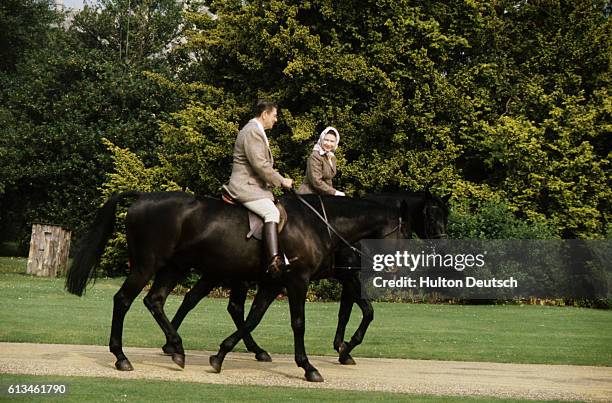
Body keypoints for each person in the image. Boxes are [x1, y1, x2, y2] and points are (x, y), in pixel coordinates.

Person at [222, 101, 293, 275]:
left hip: (255, 186)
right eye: (274, 115)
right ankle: (274, 261)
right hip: (244, 186)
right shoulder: (252, 131)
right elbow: (260, 165)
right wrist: (281, 180)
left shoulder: (256, 131)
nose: (276, 120)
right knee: (272, 213)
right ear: (264, 114)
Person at [297, 126, 345, 196]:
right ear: (322, 139)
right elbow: (316, 181)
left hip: (322, 195)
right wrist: (334, 192)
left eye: (332, 141)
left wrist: (332, 194)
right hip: (309, 195)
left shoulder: (331, 157)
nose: (328, 144)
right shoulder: (315, 156)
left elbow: (328, 180)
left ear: (336, 143)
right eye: (326, 140)